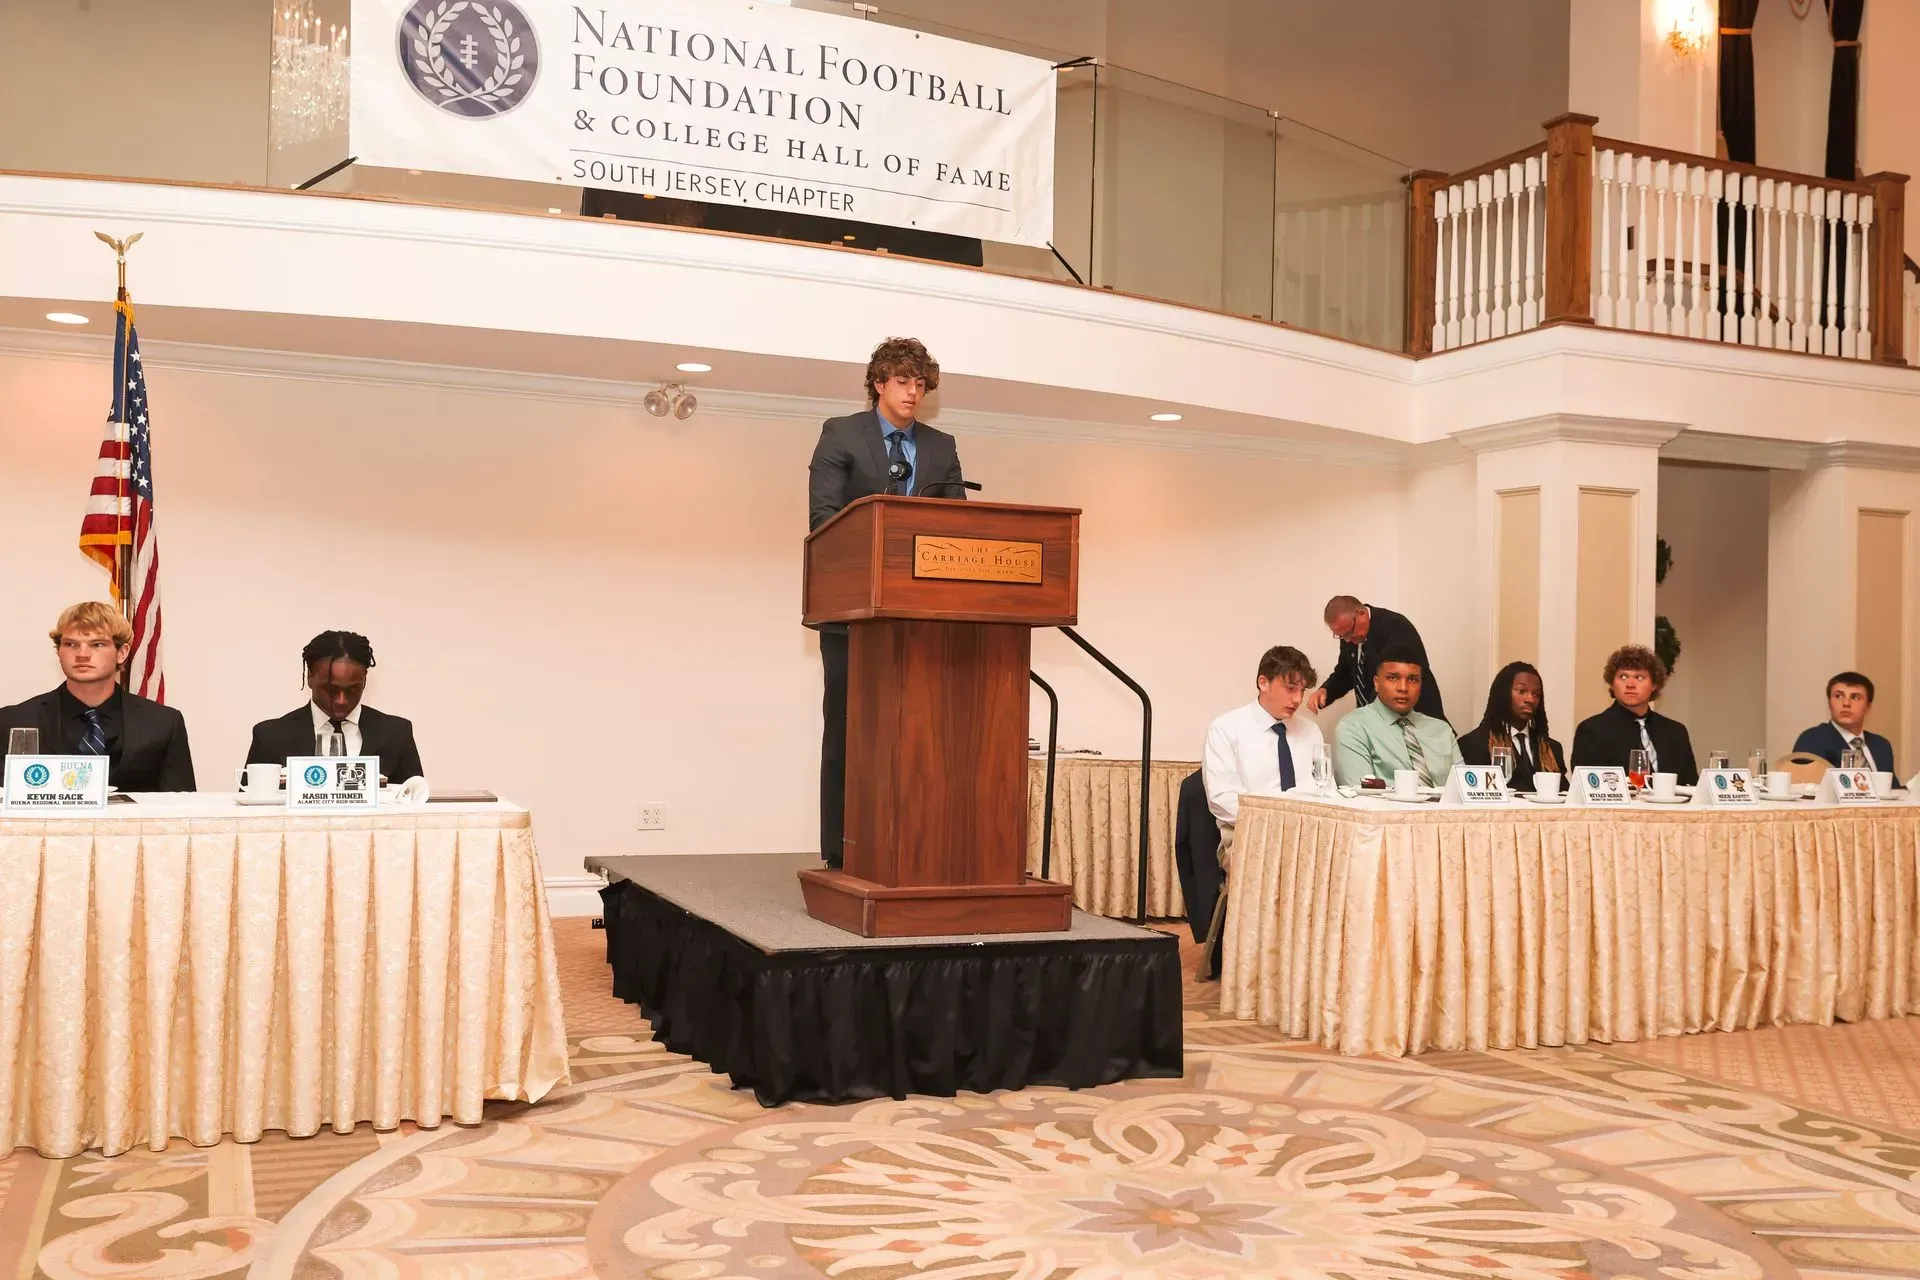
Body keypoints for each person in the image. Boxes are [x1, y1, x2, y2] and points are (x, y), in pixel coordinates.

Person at [806, 338, 967, 869]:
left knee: (919, 735)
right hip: (852, 617)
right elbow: (824, 520)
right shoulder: (841, 433)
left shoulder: (941, 447)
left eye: (921, 385)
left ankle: (915, 846)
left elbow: (957, 533)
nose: (913, 393)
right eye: (903, 382)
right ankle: (841, 852)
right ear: (879, 382)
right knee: (850, 735)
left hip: (921, 620)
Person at [0, 601, 195, 791]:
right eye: (71, 644)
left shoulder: (164, 723)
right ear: (59, 651)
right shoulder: (13, 720)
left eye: (97, 644)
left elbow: (182, 809)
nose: (82, 654)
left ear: (122, 652)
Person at [246, 631, 424, 783]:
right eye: (330, 689)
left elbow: (416, 806)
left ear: (364, 681)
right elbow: (249, 815)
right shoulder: (270, 738)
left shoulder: (397, 734)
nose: (341, 700)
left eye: (352, 689)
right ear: (310, 677)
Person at [1202, 645, 1323, 857]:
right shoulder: (1227, 728)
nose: (1297, 699)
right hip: (1249, 835)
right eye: (1290, 688)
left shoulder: (1311, 731)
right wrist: (1277, 823)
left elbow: (1325, 787)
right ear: (1263, 682)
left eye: (1302, 691)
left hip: (1308, 836)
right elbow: (1222, 799)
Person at [1570, 644, 1698, 785]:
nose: (1630, 684)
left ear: (1654, 685)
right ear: (1612, 684)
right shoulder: (1592, 730)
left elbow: (1691, 784)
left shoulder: (1675, 731)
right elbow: (1590, 786)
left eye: (1639, 677)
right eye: (1623, 676)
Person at [1333, 644, 1458, 787]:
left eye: (1412, 679)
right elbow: (1360, 797)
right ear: (1376, 683)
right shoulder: (1353, 727)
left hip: (1445, 809)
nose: (1403, 688)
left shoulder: (1442, 730)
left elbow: (1465, 792)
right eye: (1393, 678)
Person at [1309, 596, 1445, 720]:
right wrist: (1326, 690)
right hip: (1377, 722)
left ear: (1361, 614)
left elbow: (1394, 679)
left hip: (1414, 720)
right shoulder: (1350, 636)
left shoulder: (1395, 626)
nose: (1348, 640)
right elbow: (1345, 673)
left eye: (1349, 633)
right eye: (1341, 636)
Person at [1458, 661, 1566, 791]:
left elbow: (1565, 795)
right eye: (1521, 691)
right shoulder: (1475, 743)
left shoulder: (1551, 749)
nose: (1530, 699)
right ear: (1503, 694)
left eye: (1536, 694)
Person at [1794, 671, 1897, 774]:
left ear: (1868, 707)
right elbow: (1806, 785)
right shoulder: (1812, 739)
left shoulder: (1881, 745)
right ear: (1829, 703)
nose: (1846, 703)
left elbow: (1893, 788)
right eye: (1838, 696)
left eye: (1855, 697)